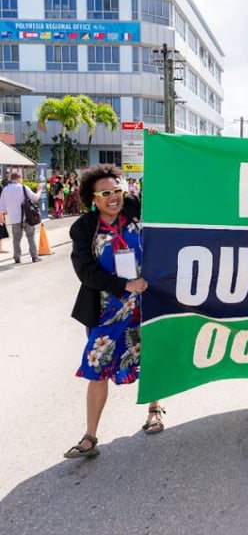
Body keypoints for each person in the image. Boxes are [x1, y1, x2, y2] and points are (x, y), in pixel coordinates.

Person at [64, 163, 165, 459]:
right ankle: (89, 436)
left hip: (146, 301)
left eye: (117, 190)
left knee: (152, 356)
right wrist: (125, 285)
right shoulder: (83, 228)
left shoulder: (135, 209)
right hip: (108, 308)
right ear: (92, 198)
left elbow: (165, 194)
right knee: (97, 368)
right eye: (105, 193)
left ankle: (154, 410)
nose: (113, 197)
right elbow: (85, 271)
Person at [0, 172, 42, 264]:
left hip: (14, 220)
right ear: (19, 178)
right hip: (26, 218)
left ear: (11, 179)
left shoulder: (5, 190)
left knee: (16, 239)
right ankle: (34, 257)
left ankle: (17, 258)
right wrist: (39, 190)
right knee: (31, 237)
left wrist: (1, 218)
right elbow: (35, 198)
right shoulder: (23, 187)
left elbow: (1, 207)